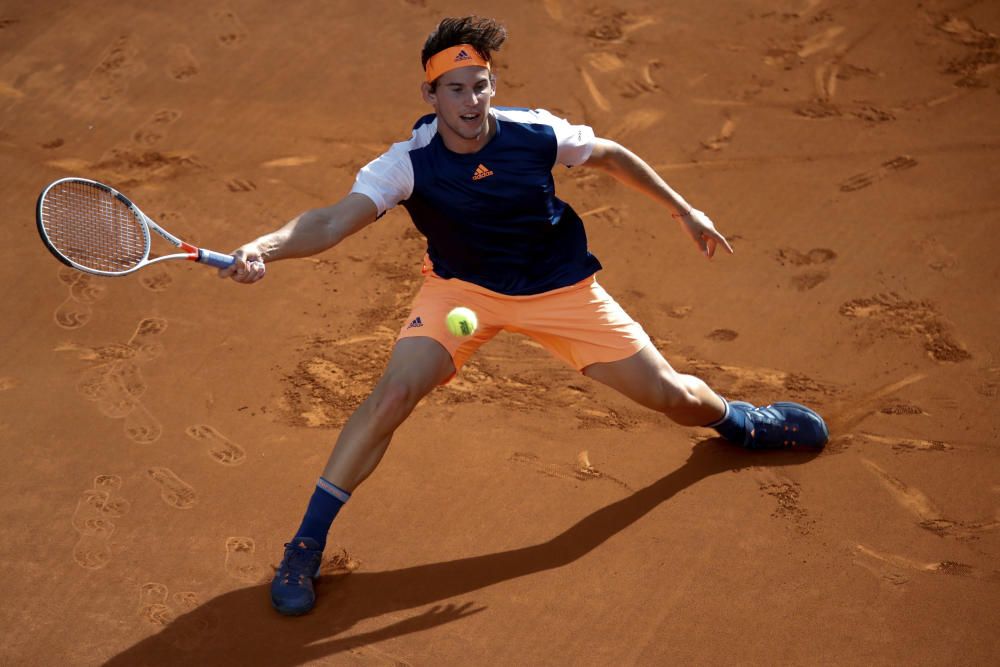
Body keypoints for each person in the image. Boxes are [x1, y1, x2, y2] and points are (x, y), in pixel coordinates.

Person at [221, 16, 829, 616]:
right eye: (455, 89)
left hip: (559, 291)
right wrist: (261, 247)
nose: (471, 99)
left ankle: (738, 421)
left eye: (480, 84)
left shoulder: (535, 133)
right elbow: (329, 221)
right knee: (391, 396)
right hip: (460, 294)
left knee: (672, 398)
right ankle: (305, 544)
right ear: (430, 96)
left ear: (493, 85)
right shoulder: (407, 163)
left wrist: (684, 209)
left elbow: (611, 154)